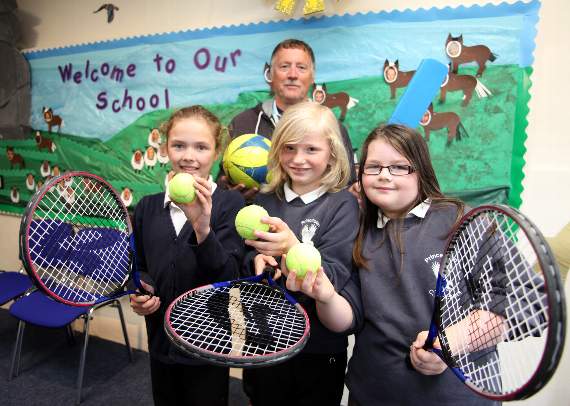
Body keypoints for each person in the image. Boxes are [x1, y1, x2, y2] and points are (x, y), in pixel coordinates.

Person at [284, 124, 500, 405]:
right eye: (374, 167)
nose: (384, 175)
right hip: (372, 395)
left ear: (420, 171)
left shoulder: (463, 221)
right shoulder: (359, 230)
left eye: (399, 167)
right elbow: (346, 319)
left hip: (454, 398)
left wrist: (450, 344)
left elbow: (511, 306)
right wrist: (325, 295)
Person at [242, 101, 360, 406]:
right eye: (290, 148)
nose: (298, 159)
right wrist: (256, 261)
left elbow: (333, 274)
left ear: (332, 153)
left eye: (311, 150)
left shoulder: (343, 205)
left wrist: (291, 248)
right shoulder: (264, 199)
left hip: (318, 348)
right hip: (263, 338)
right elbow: (246, 255)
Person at [129, 105, 245, 406]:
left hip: (208, 346)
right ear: (166, 147)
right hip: (159, 340)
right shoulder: (146, 207)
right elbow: (139, 266)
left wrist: (202, 228)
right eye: (179, 145)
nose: (189, 156)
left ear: (216, 152)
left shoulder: (230, 205)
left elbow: (229, 278)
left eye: (201, 147)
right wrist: (142, 291)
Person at [220, 38, 357, 199]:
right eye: (284, 66)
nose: (292, 75)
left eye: (301, 67)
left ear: (312, 76)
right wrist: (231, 193)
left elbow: (346, 185)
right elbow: (224, 183)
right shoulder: (243, 123)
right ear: (270, 74)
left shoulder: (331, 126)